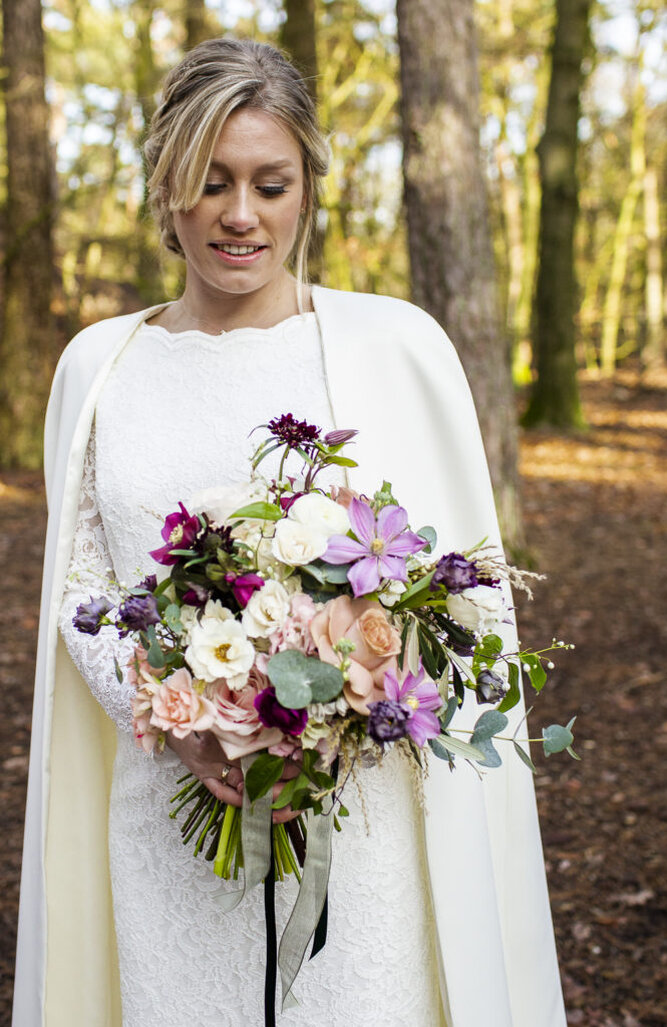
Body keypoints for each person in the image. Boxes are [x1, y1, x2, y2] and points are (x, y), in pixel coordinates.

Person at [13, 37, 566, 1027]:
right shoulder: (100, 366)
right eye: (210, 182)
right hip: (168, 810)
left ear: (308, 187)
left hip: (357, 815)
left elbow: (458, 589)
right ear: (165, 189)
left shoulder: (393, 349)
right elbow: (85, 591)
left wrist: (333, 699)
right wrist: (189, 711)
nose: (240, 214)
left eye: (270, 184)